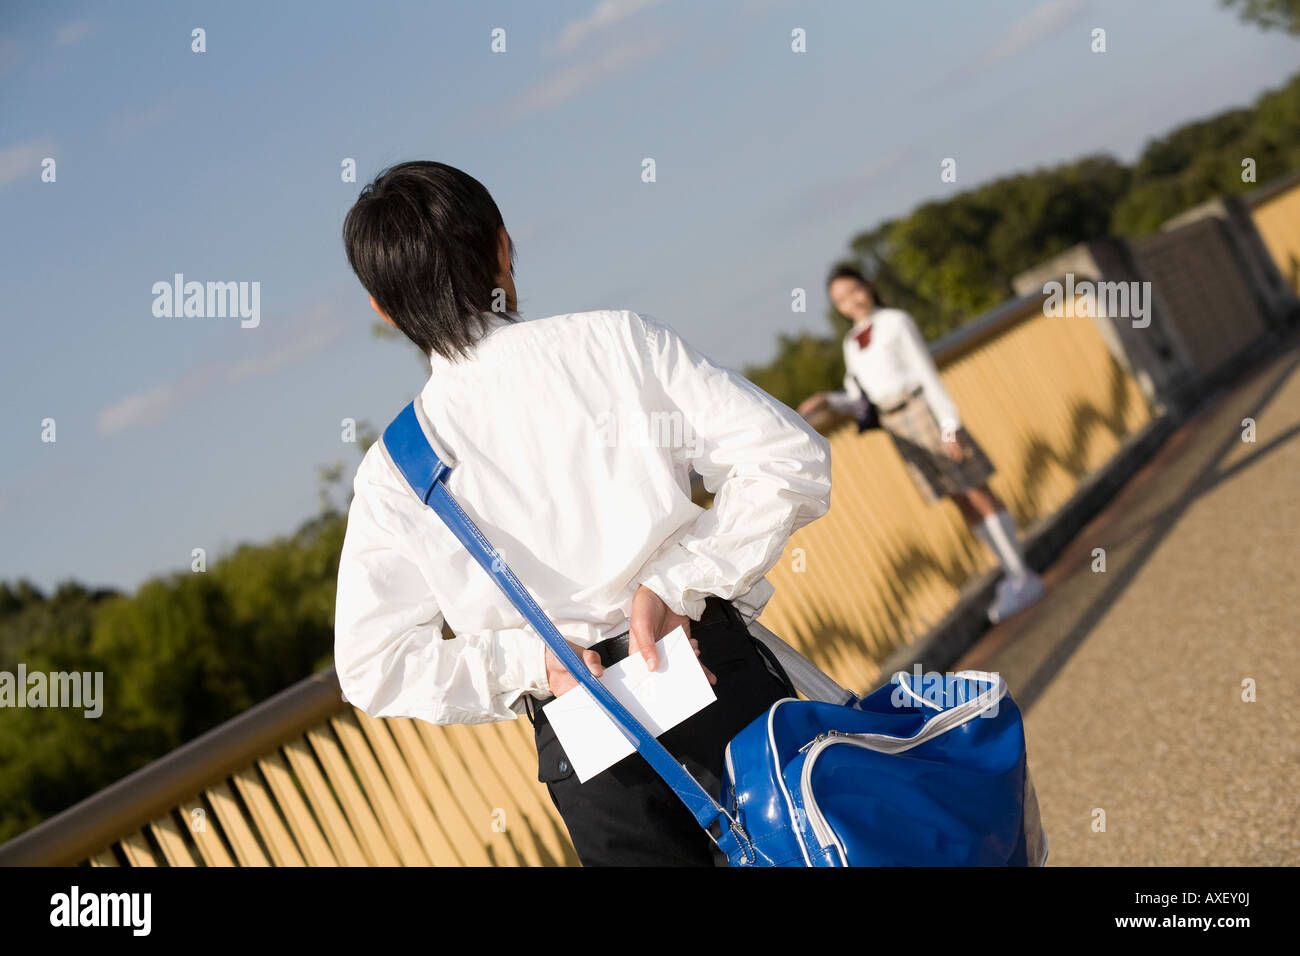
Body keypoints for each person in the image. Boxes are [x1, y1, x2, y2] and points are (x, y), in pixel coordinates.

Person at [333, 161, 832, 866]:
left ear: (383, 310)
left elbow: (370, 665)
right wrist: (675, 585)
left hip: (588, 747)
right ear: (503, 247)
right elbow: (789, 460)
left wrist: (534, 661)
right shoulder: (616, 342)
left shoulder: (396, 469)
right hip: (713, 672)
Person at [798, 264, 1043, 623]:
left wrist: (949, 424)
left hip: (922, 410)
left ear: (868, 286)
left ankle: (1023, 574)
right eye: (841, 300)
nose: (850, 302)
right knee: (959, 498)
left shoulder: (896, 321)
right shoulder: (851, 343)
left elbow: (926, 372)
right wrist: (828, 401)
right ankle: (1011, 572)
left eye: (853, 291)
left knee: (975, 488)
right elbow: (859, 398)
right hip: (898, 424)